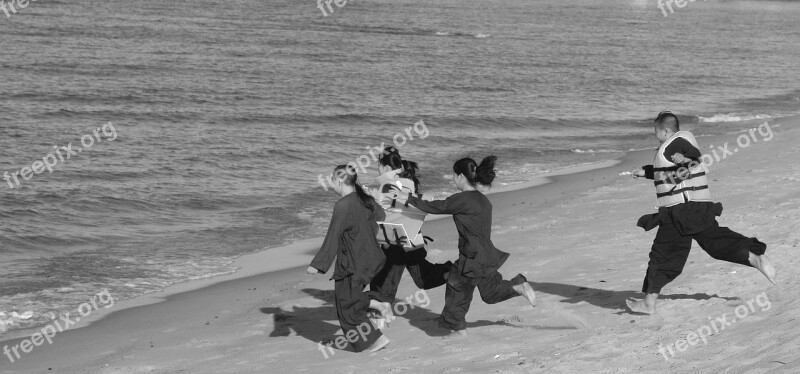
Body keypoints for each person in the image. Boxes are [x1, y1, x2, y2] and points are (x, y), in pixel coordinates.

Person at [626, 111, 776, 314]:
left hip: (681, 212)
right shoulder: (675, 144)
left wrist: (686, 158)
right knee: (715, 243)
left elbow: (693, 159)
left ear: (666, 131)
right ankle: (754, 256)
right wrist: (646, 172)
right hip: (695, 209)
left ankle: (648, 302)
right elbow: (672, 173)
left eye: (657, 133)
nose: (656, 137)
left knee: (663, 255)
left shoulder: (675, 143)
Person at [397, 155, 536, 336]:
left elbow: (436, 207)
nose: (454, 179)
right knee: (490, 294)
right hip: (486, 254)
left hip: (472, 258)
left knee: (456, 289)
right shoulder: (482, 199)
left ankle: (458, 330)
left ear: (461, 176)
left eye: (454, 176)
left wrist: (408, 197)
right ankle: (518, 286)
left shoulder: (463, 199)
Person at [307, 164, 393, 353]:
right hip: (372, 258)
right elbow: (381, 215)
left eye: (332, 179)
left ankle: (375, 340)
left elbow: (333, 236)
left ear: (339, 180)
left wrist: (319, 264)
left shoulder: (343, 205)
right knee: (349, 298)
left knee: (346, 307)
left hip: (354, 263)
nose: (330, 183)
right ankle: (379, 304)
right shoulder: (366, 199)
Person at [366, 147, 453, 305]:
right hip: (413, 241)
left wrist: (366, 194)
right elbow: (402, 205)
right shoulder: (407, 182)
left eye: (378, 166)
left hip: (396, 242)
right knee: (423, 279)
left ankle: (377, 321)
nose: (377, 170)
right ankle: (451, 274)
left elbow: (386, 202)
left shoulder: (389, 185)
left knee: (383, 288)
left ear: (386, 168)